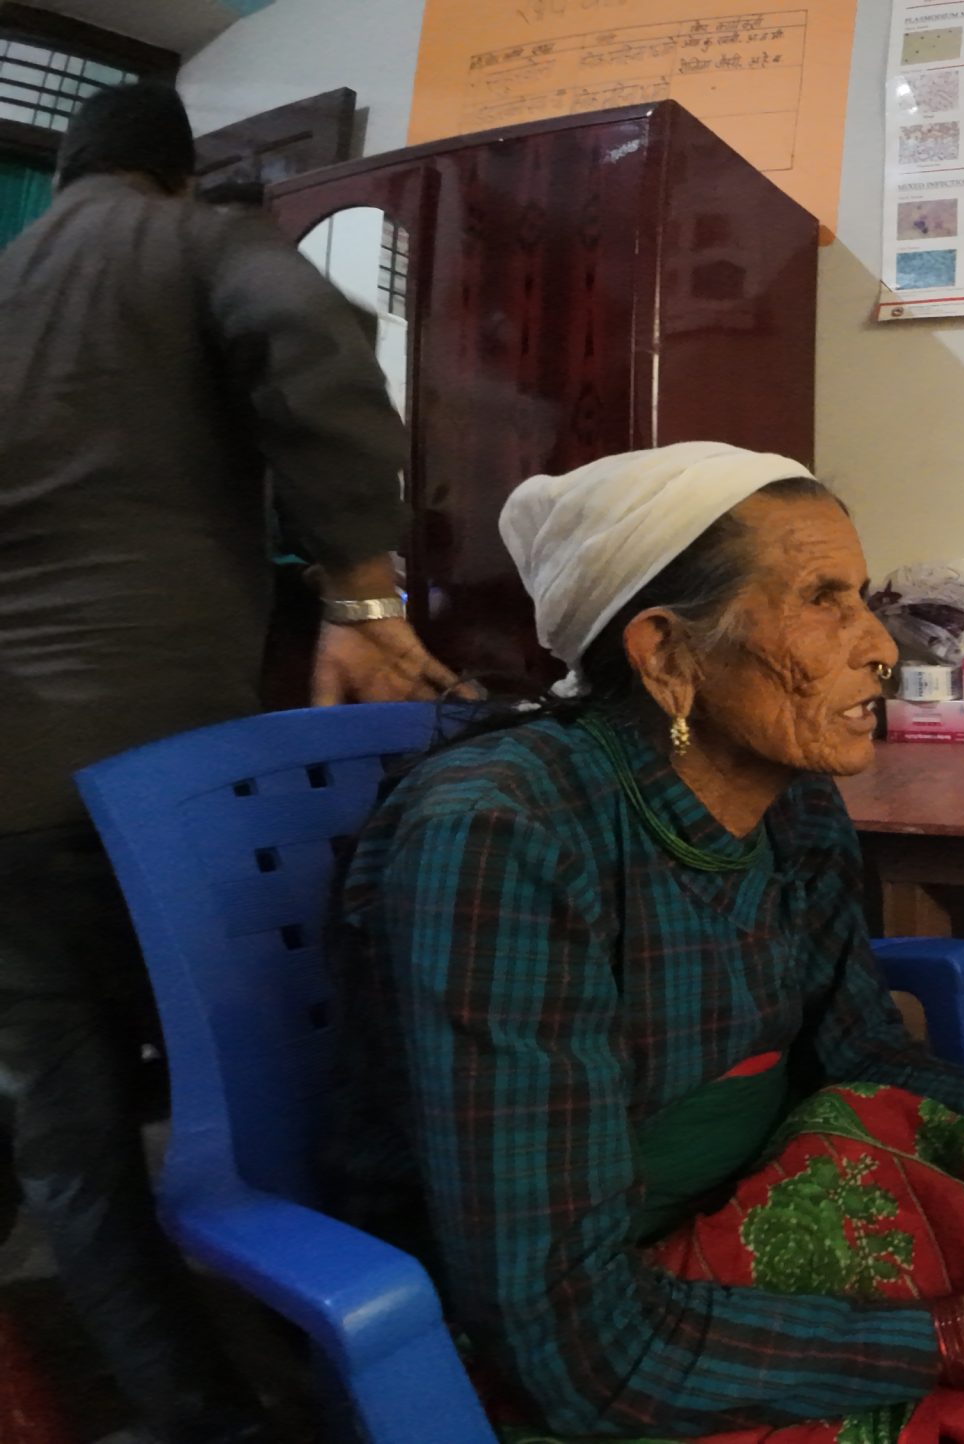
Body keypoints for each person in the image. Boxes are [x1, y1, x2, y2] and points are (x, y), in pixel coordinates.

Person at [331, 442, 964, 1442]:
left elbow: (857, 1049)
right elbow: (569, 1341)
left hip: (752, 1201)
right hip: (588, 1324)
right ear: (667, 654)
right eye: (823, 600)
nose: (881, 647)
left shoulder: (793, 800)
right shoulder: (503, 836)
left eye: (861, 598)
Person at [0, 82, 456, 1444]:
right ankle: (351, 1368)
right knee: (269, 1080)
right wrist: (360, 588)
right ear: (173, 173)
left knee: (70, 1133)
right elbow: (311, 346)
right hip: (158, 794)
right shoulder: (194, 240)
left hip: (6, 789)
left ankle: (196, 1416)